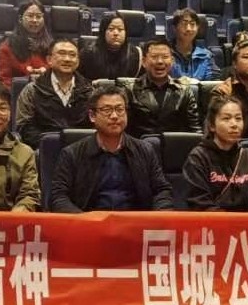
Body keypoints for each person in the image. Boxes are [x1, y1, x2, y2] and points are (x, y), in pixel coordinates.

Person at [49, 85, 174, 213]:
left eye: (120, 109)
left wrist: (158, 216)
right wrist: (82, 220)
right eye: (107, 110)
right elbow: (58, 197)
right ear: (92, 116)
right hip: (90, 221)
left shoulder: (145, 150)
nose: (114, 116)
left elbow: (162, 190)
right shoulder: (72, 154)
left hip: (135, 221)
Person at [182, 96, 248, 212]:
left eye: (238, 118)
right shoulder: (198, 157)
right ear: (212, 126)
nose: (234, 124)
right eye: (226, 118)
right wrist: (229, 221)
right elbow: (200, 202)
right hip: (212, 221)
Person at [14, 37, 91, 148]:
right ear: (49, 60)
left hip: (81, 151)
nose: (67, 59)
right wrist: (50, 143)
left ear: (78, 61)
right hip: (43, 150)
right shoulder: (32, 90)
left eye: (72, 55)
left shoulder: (89, 91)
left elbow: (96, 125)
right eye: (62, 54)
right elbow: (23, 127)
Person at [126, 37, 199, 136]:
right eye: (154, 57)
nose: (160, 61)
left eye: (165, 57)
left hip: (174, 144)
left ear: (172, 61)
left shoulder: (184, 91)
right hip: (140, 144)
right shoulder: (129, 90)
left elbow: (195, 130)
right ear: (143, 61)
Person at [0, 0, 51, 88]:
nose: (34, 20)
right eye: (30, 16)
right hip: (17, 93)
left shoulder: (52, 46)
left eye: (38, 16)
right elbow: (5, 80)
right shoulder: (7, 47)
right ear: (20, 19)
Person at [78, 12, 141, 82]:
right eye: (111, 29)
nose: (116, 33)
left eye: (120, 29)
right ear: (103, 32)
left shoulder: (136, 54)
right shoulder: (88, 53)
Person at [168, 8, 219, 81]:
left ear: (197, 28)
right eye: (184, 24)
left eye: (192, 24)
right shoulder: (165, 55)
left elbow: (213, 81)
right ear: (174, 28)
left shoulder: (206, 56)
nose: (188, 29)